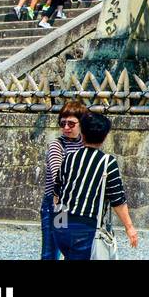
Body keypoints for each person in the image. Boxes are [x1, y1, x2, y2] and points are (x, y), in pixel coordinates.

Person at [53, 111, 139, 260]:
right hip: (86, 227)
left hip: (61, 223)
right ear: (105, 136)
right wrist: (129, 227)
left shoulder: (69, 158)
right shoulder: (107, 162)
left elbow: (57, 193)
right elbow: (117, 199)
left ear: (83, 133)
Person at [39, 100, 86, 260]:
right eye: (63, 123)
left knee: (74, 252)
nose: (66, 127)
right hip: (59, 205)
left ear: (82, 124)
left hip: (78, 205)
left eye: (71, 124)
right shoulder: (56, 146)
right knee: (51, 251)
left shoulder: (86, 146)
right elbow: (58, 175)